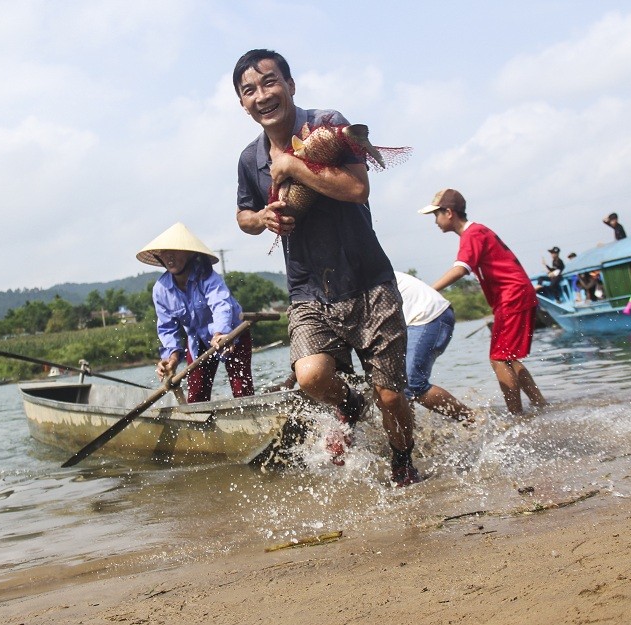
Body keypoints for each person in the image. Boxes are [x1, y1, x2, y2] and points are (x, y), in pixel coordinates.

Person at [233, 48, 420, 486]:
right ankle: (350, 403)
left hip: (367, 279)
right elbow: (243, 216)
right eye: (249, 90)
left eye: (270, 82)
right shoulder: (249, 159)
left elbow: (357, 188)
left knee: (391, 397)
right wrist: (262, 218)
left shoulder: (326, 125)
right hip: (308, 289)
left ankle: (403, 464)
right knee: (312, 377)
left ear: (291, 85)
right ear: (242, 103)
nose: (262, 95)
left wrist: (293, 164)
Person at [420, 189, 547, 415]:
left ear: (449, 213)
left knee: (498, 360)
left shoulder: (472, 234)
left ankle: (516, 416)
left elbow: (460, 269)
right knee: (507, 358)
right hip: (514, 295)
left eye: (436, 215)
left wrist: (427, 290)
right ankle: (539, 404)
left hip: (513, 296)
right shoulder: (477, 232)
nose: (435, 222)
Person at [136, 222, 254, 404]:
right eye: (165, 253)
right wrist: (172, 359)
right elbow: (167, 327)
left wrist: (221, 334)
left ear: (190, 253)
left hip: (232, 334)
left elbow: (221, 305)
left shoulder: (208, 277)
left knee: (242, 390)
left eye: (174, 251)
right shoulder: (161, 289)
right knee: (196, 396)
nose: (169, 257)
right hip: (197, 341)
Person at [394, 271, 474, 424]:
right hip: (415, 320)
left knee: (413, 382)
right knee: (399, 384)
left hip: (428, 315)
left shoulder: (354, 276)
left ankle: (472, 420)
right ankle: (411, 436)